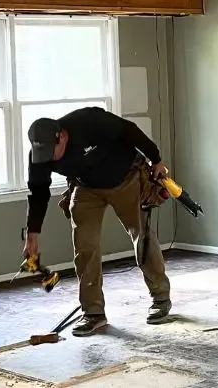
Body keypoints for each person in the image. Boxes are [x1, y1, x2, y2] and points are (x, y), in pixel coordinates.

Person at [24, 106, 172, 336]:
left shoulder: (89, 121)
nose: (49, 159)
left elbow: (129, 130)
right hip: (86, 187)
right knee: (85, 247)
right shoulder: (40, 156)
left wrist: (156, 159)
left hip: (125, 179)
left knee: (141, 237)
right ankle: (93, 314)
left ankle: (161, 298)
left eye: (54, 151)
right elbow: (38, 193)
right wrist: (32, 235)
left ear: (62, 135)